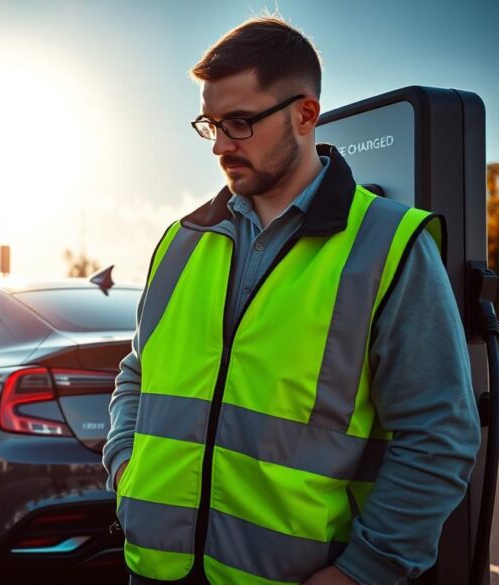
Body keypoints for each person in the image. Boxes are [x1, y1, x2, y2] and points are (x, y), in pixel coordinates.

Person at [102, 16, 481, 585]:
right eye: (211, 124)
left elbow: (439, 436)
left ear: (305, 114)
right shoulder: (182, 241)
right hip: (153, 569)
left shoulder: (388, 247)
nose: (222, 145)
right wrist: (125, 466)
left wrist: (361, 573)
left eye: (239, 122)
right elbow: (138, 372)